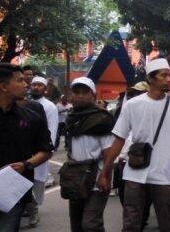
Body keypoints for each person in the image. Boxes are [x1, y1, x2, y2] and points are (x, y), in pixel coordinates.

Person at [96, 58, 170, 232]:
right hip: (135, 173)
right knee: (131, 223)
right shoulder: (132, 105)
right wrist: (105, 172)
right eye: (163, 75)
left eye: (168, 75)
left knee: (166, 223)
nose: (168, 79)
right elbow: (119, 139)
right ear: (151, 78)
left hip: (163, 174)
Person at [0, 64, 52, 232]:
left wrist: (26, 165)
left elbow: (45, 150)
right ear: (3, 86)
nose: (26, 85)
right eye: (20, 80)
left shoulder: (32, 117)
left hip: (13, 192)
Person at [64, 77, 115, 232]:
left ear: (93, 95)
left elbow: (109, 152)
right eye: (76, 92)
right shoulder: (71, 119)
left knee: (91, 224)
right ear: (71, 96)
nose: (79, 96)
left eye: (84, 92)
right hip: (75, 177)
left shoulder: (102, 119)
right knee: (77, 225)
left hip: (97, 176)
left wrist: (105, 175)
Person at [26, 76, 59, 227]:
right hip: (24, 148)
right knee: (24, 180)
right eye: (34, 85)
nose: (36, 87)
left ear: (45, 89)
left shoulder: (49, 107)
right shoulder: (24, 103)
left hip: (40, 149)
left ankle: (33, 208)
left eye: (40, 85)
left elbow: (51, 129)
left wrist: (46, 148)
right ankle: (29, 208)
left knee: (38, 181)